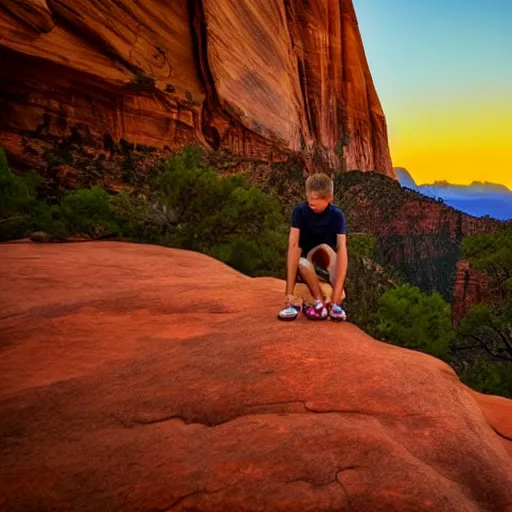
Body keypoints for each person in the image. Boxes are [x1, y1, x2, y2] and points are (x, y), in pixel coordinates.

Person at [278, 173, 348, 322]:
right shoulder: (300, 212)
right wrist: (288, 294)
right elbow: (293, 246)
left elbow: (342, 250)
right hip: (305, 270)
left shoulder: (337, 215)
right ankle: (318, 301)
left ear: (329, 198)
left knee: (326, 250)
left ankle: (330, 304)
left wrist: (336, 299)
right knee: (301, 261)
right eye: (309, 199)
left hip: (326, 271)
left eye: (316, 200)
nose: (311, 203)